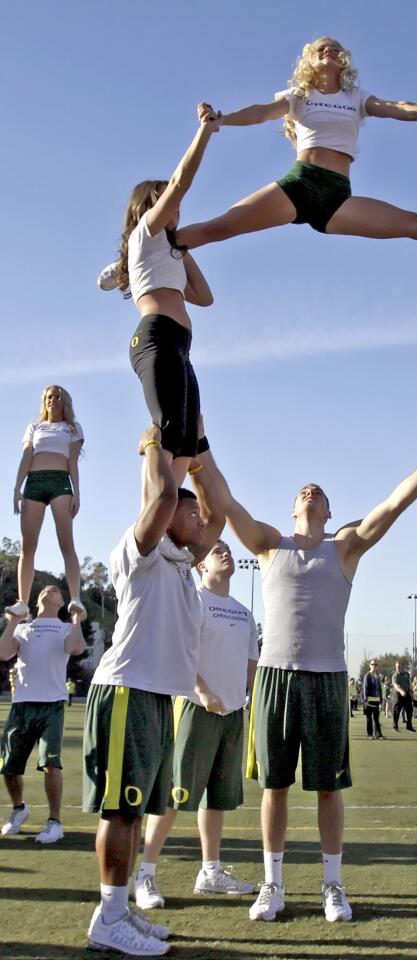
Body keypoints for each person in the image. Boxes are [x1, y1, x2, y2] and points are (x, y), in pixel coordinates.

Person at [217, 435, 417, 923]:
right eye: (303, 490)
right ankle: (272, 885)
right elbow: (226, 500)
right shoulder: (267, 543)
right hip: (276, 678)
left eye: (317, 491)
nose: (309, 491)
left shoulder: (342, 547)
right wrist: (197, 454)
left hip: (326, 681)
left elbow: (393, 504)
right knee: (274, 788)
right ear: (293, 507)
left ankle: (332, 885)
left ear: (327, 510)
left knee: (328, 789)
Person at [81, 424, 225, 956]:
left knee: (135, 809)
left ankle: (118, 912)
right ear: (168, 520)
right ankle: (109, 920)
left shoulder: (183, 564)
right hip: (125, 692)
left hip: (156, 698)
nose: (199, 520)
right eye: (191, 514)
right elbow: (164, 494)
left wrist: (201, 456)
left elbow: (220, 512)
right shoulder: (140, 550)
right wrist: (154, 445)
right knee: (121, 810)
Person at [176, 37, 417, 252]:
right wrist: (222, 119)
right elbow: (261, 112)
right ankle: (157, 243)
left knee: (411, 223)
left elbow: (397, 107)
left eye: (335, 49)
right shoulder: (298, 95)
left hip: (337, 195)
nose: (329, 51)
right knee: (221, 227)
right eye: (322, 48)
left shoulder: (356, 97)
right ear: (310, 59)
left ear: (342, 60)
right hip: (300, 184)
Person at [134, 539, 257, 909]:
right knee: (174, 797)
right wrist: (203, 691)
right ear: (200, 566)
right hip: (194, 709)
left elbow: (251, 660)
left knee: (216, 799)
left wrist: (247, 695)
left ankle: (211, 871)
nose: (225, 552)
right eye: (216, 550)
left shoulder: (244, 612)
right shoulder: (192, 601)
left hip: (233, 715)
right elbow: (179, 653)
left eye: (228, 549)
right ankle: (146, 873)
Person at [103, 103, 220, 486]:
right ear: (148, 206)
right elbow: (181, 180)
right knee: (168, 434)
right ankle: (150, 514)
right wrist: (205, 132)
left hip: (180, 345)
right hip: (156, 337)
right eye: (165, 199)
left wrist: (183, 247)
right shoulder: (146, 233)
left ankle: (163, 517)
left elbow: (204, 296)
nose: (176, 206)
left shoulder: (168, 249)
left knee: (188, 442)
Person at [0, 586, 87, 843]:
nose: (50, 590)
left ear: (61, 602)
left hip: (52, 705)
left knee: (50, 763)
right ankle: (19, 809)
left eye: (56, 590)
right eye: (46, 588)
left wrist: (76, 619)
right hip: (22, 704)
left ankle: (54, 822)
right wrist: (14, 620)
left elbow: (77, 648)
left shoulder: (65, 627)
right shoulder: (24, 627)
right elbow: (4, 653)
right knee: (9, 766)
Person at [6, 386, 86, 620]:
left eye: (58, 396)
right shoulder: (34, 427)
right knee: (27, 546)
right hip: (34, 483)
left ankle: (75, 599)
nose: (53, 400)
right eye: (49, 396)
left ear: (64, 402)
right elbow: (26, 457)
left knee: (66, 544)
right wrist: (16, 488)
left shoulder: (72, 428)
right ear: (45, 401)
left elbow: (73, 462)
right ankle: (22, 603)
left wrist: (77, 492)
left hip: (60, 482)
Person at [362, 659, 384, 739]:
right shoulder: (367, 675)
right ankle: (370, 734)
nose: (374, 666)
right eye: (372, 664)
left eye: (375, 664)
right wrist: (365, 700)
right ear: (370, 665)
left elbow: (379, 689)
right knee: (369, 719)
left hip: (377, 700)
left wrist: (381, 700)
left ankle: (378, 735)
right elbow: (365, 688)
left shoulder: (378, 676)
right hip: (369, 701)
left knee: (376, 718)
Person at [392, 660, 415, 731]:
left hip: (407, 693)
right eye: (397, 666)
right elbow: (395, 685)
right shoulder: (395, 675)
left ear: (402, 666)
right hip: (399, 694)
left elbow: (409, 683)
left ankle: (409, 726)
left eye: (399, 666)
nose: (398, 667)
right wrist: (401, 691)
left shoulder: (406, 674)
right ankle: (395, 726)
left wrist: (411, 690)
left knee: (410, 710)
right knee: (397, 710)